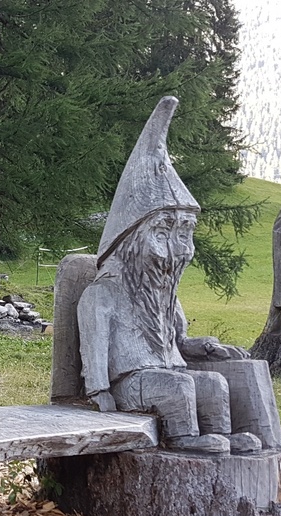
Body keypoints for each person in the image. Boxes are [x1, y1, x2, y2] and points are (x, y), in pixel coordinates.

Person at [77, 96, 261, 455]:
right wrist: (99, 393)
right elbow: (94, 350)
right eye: (163, 234)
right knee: (180, 389)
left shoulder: (166, 296)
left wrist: (199, 346)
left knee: (212, 384)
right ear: (131, 240)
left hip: (167, 370)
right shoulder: (102, 295)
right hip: (128, 383)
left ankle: (221, 435)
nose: (177, 249)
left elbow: (179, 340)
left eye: (183, 235)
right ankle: (184, 437)